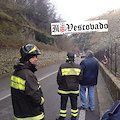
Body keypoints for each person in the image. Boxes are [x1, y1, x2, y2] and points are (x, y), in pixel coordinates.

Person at [11, 44, 45, 120]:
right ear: (26, 58)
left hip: (19, 115)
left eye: (36, 57)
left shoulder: (16, 73)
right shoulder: (28, 75)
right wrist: (41, 101)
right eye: (33, 57)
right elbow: (35, 98)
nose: (36, 59)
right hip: (32, 115)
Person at [56, 52, 83, 120]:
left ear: (67, 58)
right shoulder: (78, 67)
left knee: (63, 103)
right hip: (74, 89)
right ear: (74, 58)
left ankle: (62, 117)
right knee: (74, 103)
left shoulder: (62, 66)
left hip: (64, 89)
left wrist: (60, 85)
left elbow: (59, 78)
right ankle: (74, 117)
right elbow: (80, 78)